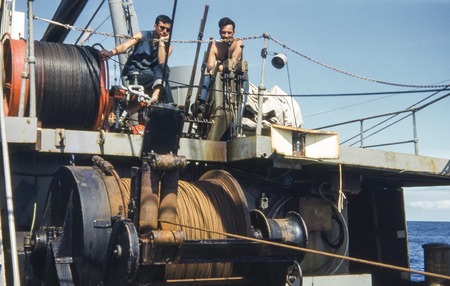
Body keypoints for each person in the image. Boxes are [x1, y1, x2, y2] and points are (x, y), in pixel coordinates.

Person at [101, 14, 173, 104]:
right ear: (155, 26)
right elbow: (125, 45)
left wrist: (161, 43)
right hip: (135, 74)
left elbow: (162, 63)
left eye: (168, 30)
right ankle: (166, 101)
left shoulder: (168, 47)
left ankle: (167, 108)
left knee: (164, 70)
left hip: (152, 76)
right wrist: (110, 53)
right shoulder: (142, 35)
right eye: (162, 28)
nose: (165, 31)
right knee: (164, 81)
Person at [196, 17, 243, 111]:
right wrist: (217, 67)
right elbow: (210, 66)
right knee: (207, 76)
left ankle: (241, 106)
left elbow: (233, 61)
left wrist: (222, 66)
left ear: (233, 32)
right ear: (219, 32)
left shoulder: (238, 43)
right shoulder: (215, 45)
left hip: (234, 75)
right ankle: (202, 102)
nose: (226, 35)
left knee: (243, 81)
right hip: (217, 73)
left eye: (229, 33)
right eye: (223, 32)